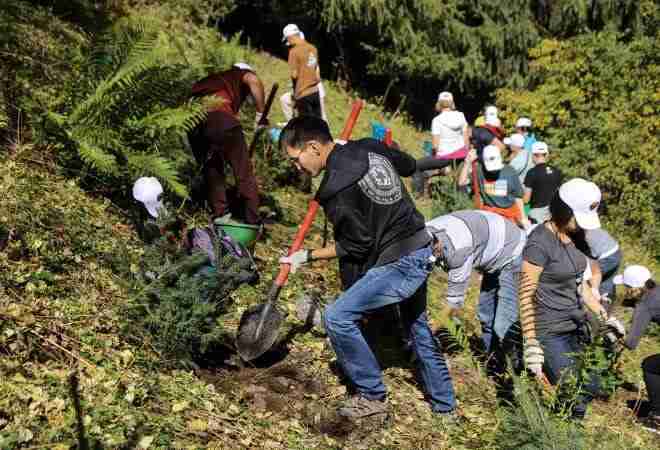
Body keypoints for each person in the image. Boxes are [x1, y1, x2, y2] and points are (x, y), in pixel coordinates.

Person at [278, 116, 456, 420]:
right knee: (417, 327)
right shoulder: (370, 146)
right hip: (423, 245)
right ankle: (445, 408)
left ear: (313, 147)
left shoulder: (335, 189)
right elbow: (408, 165)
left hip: (400, 261)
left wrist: (306, 255)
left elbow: (356, 247)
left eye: (296, 159)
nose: (296, 167)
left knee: (337, 316)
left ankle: (372, 396)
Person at [518, 178, 625, 419]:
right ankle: (561, 433)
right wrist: (531, 343)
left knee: (592, 384)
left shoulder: (576, 237)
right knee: (573, 392)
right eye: (576, 217)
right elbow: (525, 294)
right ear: (562, 209)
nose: (580, 225)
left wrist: (603, 317)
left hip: (575, 325)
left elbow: (582, 284)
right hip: (549, 329)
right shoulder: (540, 243)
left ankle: (561, 422)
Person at [426, 210, 526, 376]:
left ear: (437, 248)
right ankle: (494, 365)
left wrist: (430, 333)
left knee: (503, 324)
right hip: (494, 248)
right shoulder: (425, 231)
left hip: (513, 251)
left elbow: (454, 304)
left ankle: (518, 374)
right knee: (486, 315)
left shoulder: (458, 252)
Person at [188, 63, 266, 225]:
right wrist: (261, 113)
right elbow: (254, 80)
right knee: (244, 172)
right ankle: (252, 220)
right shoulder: (238, 74)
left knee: (212, 170)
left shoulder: (214, 80)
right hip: (220, 118)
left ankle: (220, 215)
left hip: (193, 124)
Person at [611, 265, 660, 432]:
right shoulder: (657, 289)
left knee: (651, 366)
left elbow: (631, 343)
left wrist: (614, 331)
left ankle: (657, 418)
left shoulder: (646, 305)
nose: (626, 290)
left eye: (626, 287)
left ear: (634, 288)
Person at [458, 145, 530, 228]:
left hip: (509, 216)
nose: (493, 172)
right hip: (491, 217)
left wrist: (523, 218)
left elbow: (518, 196)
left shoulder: (510, 172)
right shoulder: (479, 171)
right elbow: (462, 182)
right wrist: (468, 162)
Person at [279, 32, 328, 125]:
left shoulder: (294, 52)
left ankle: (296, 127)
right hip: (316, 90)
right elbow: (317, 75)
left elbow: (294, 75)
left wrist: (296, 90)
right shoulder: (313, 49)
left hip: (303, 92)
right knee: (319, 122)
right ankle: (294, 125)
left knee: (308, 125)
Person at [523, 142, 563, 224]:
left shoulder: (532, 172)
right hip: (553, 212)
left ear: (534, 155)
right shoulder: (557, 171)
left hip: (537, 214)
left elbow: (526, 199)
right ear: (546, 155)